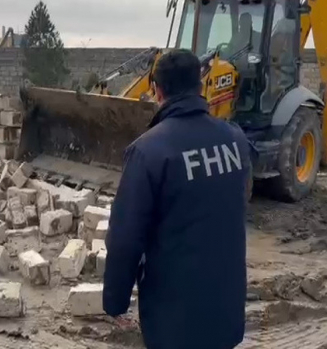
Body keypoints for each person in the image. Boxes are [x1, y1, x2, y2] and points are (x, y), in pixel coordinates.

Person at [103, 49, 251, 349]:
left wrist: (115, 302)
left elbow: (125, 239)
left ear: (157, 91)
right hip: (227, 308)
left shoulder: (148, 152)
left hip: (174, 321)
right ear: (200, 86)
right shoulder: (236, 141)